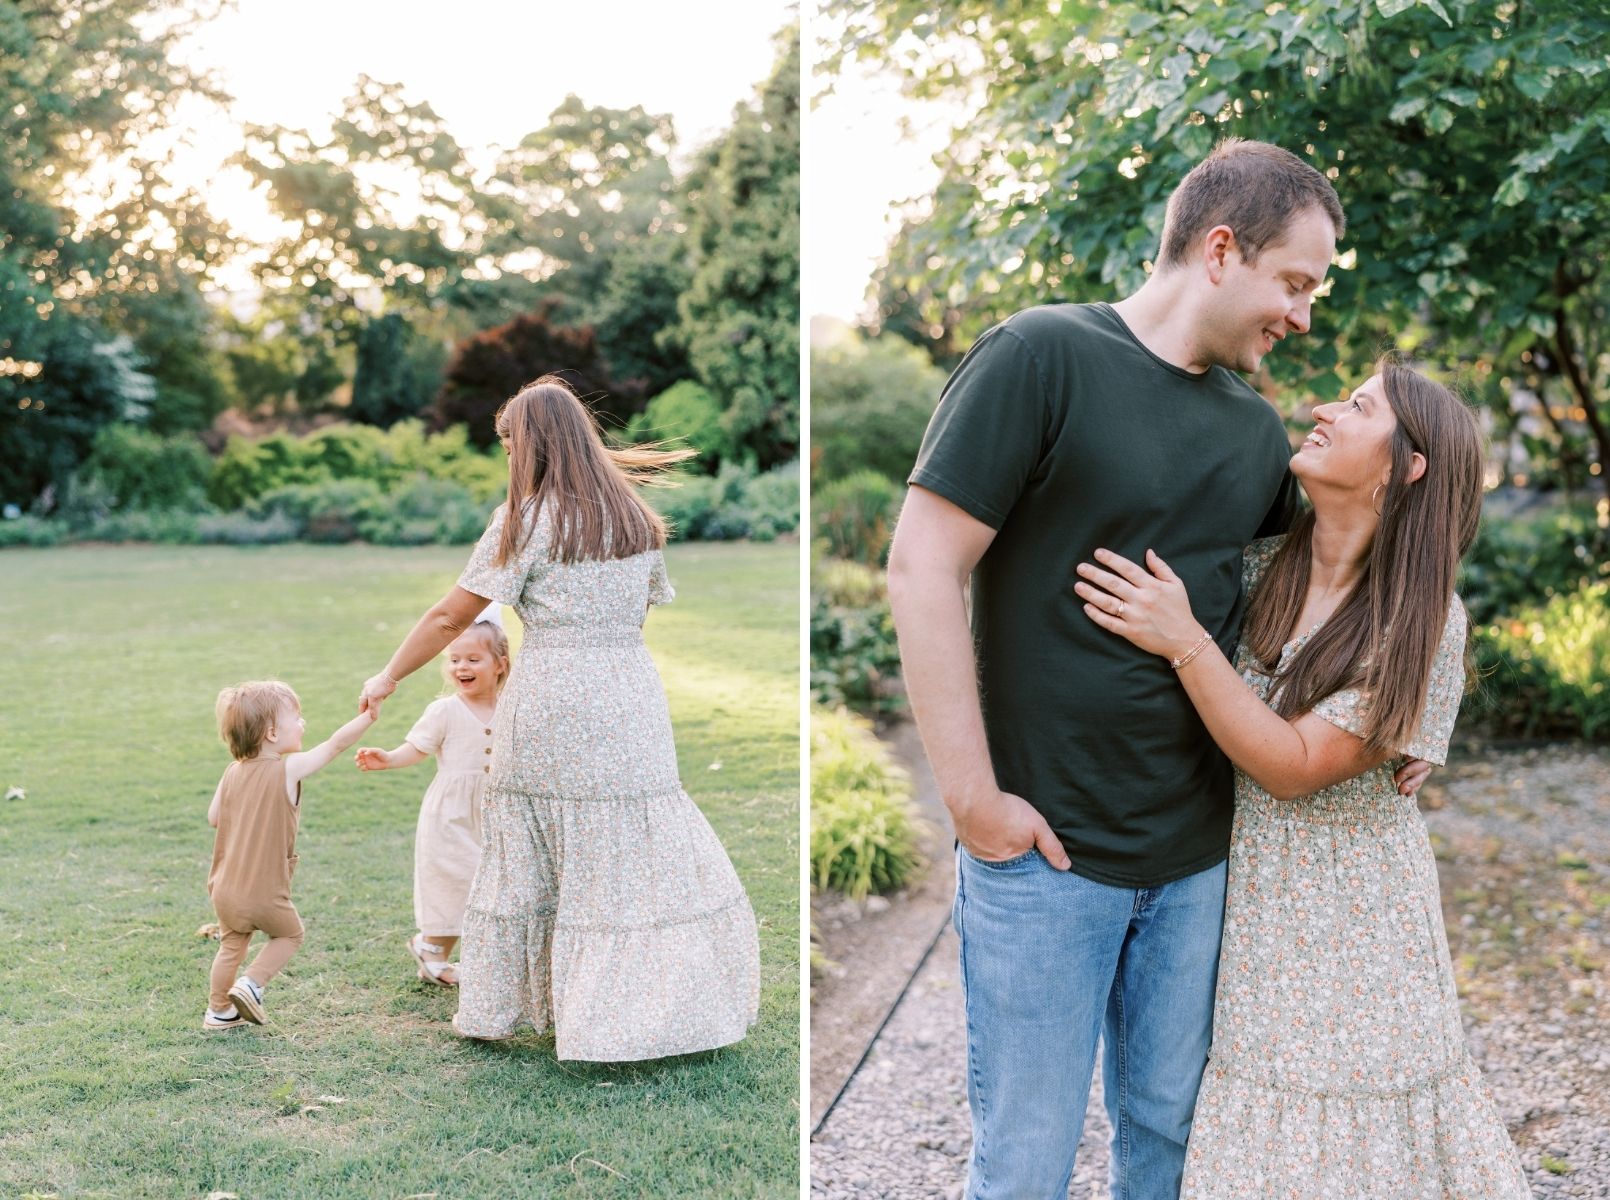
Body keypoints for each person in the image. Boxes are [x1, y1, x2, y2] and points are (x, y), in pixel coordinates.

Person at [885, 138, 1428, 1199]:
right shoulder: (1038, 355)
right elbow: (920, 566)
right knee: (1025, 1162)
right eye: (1294, 283)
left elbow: (1315, 600)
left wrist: (1394, 719)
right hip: (1043, 857)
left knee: (1172, 1144)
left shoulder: (1253, 434)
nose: (1301, 316)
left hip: (1196, 863)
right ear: (1220, 250)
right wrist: (973, 802)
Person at [1074, 361, 1531, 1197]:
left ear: (1407, 466)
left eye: (1356, 406)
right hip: (1242, 899)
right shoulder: (1254, 569)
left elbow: (1291, 767)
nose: (1323, 409)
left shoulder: (1421, 619)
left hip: (1356, 925)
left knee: (1349, 1136)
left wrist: (1183, 640)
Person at [356, 375, 759, 1061]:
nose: (509, 457)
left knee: (533, 848)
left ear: (534, 444)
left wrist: (389, 675)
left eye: (511, 444)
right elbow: (640, 611)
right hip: (630, 696)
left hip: (551, 697)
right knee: (628, 850)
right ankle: (644, 1009)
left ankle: (521, 1008)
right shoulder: (635, 518)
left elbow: (452, 616)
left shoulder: (526, 519)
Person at [204, 680, 376, 1031]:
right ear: (271, 733)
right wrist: (368, 717)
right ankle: (252, 984)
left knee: (231, 947)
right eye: (296, 718)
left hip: (225, 888)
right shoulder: (287, 768)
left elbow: (213, 818)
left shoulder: (231, 772)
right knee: (289, 935)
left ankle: (218, 1011)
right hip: (263, 890)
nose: (303, 723)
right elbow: (335, 744)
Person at [354, 620, 511, 987]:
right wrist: (389, 758)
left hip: (497, 811)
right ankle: (435, 950)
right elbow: (418, 748)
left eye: (473, 659)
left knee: (489, 884)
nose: (461, 667)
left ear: (500, 664)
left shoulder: (512, 707)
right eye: (454, 659)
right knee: (456, 881)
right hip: (451, 815)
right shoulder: (444, 711)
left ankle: (434, 952)